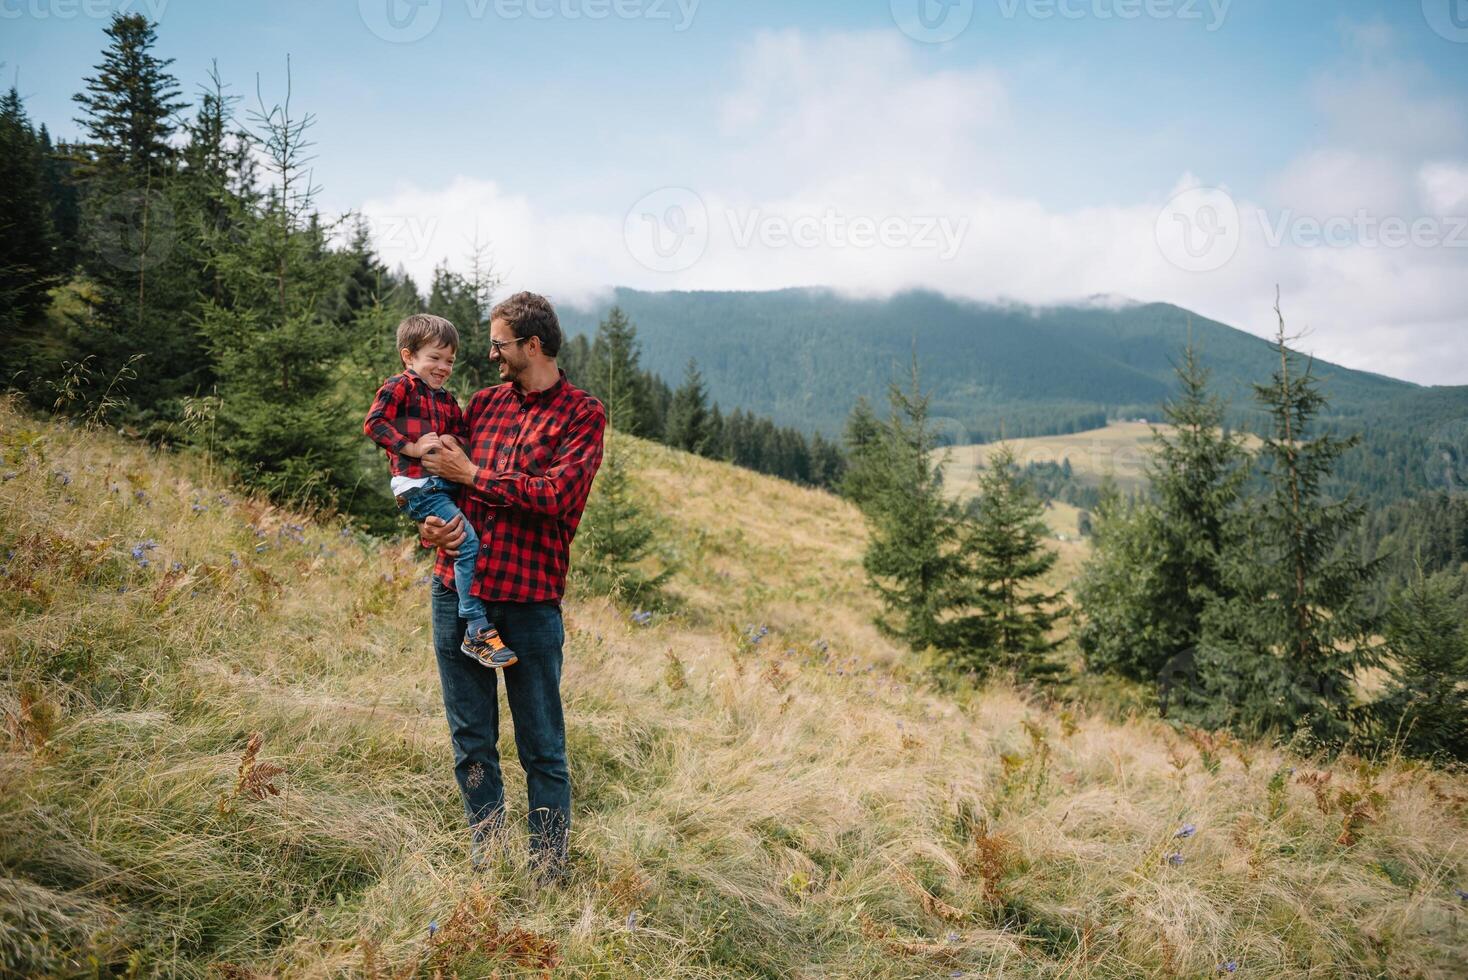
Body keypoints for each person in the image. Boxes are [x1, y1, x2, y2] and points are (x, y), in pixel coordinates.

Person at [417, 291, 606, 884]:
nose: (490, 352)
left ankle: (548, 866)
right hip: (459, 593)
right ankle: (488, 854)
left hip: (528, 602)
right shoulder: (483, 404)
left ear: (532, 345)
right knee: (471, 737)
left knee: (541, 745)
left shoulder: (583, 414)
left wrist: (474, 475)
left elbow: (556, 496)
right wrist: (432, 523)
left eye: (499, 343)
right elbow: (444, 479)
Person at [363, 313, 516, 669]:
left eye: (449, 360)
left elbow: (462, 434)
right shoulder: (399, 386)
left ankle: (475, 624)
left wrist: (453, 440)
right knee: (468, 543)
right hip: (417, 486)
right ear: (409, 356)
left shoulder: (446, 400)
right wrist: (411, 447)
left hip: (441, 484)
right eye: (434, 357)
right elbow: (374, 423)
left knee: (464, 537)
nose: (443, 366)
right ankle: (476, 627)